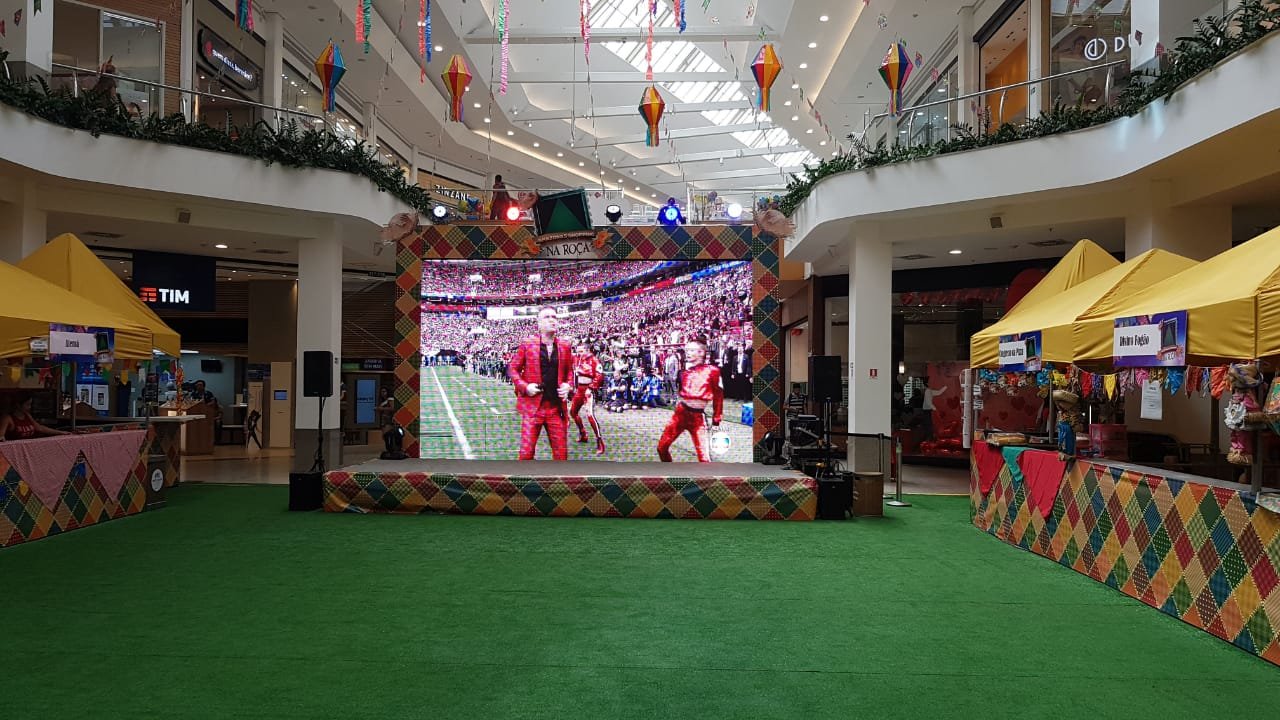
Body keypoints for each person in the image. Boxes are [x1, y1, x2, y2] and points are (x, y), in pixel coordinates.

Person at [508, 306, 574, 460]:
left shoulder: (565, 345)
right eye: (547, 317)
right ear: (538, 324)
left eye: (554, 317)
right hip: (533, 409)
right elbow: (513, 368)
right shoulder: (527, 344)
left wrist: (568, 385)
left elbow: (570, 371)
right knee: (526, 454)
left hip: (555, 409)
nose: (552, 320)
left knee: (561, 454)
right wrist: (525, 387)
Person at [657, 339, 723, 463]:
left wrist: (716, 421)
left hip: (697, 418)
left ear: (701, 352)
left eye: (692, 350)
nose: (688, 353)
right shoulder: (686, 372)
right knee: (662, 447)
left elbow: (718, 397)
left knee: (704, 459)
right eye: (687, 350)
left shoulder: (713, 371)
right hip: (680, 414)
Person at [570, 342, 606, 455]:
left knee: (590, 415)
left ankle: (599, 441)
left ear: (587, 350)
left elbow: (599, 375)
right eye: (577, 351)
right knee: (573, 412)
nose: (579, 353)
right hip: (579, 389)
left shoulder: (594, 360)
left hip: (588, 390)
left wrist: (591, 387)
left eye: (581, 351)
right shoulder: (576, 358)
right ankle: (583, 433)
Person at [1, 395, 71, 440]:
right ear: (18, 405)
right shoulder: (7, 418)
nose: (30, 407)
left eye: (30, 404)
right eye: (27, 405)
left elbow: (39, 428)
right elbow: (1, 436)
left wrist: (61, 432)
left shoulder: (27, 415)